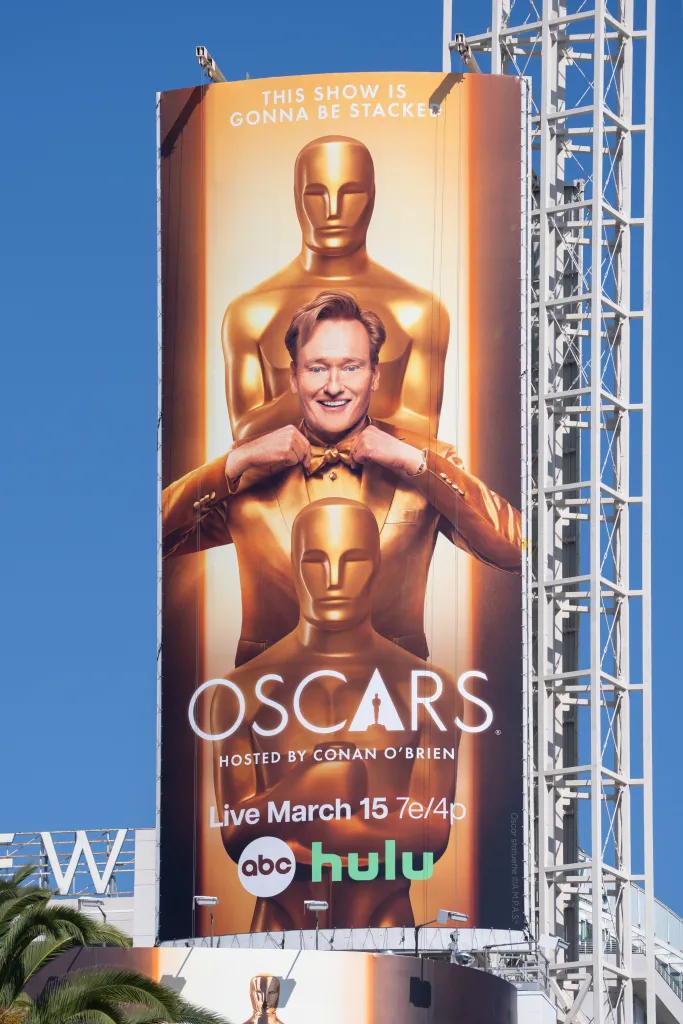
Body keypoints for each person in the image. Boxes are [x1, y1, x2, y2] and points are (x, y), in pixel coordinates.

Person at [163, 290, 521, 668]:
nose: (334, 386)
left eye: (351, 367)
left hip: (393, 699)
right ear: (294, 377)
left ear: (375, 375)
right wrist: (233, 464)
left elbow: (519, 552)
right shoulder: (247, 467)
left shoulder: (425, 460)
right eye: (318, 368)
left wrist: (417, 465)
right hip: (270, 701)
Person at [211, 498, 463, 930]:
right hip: (278, 920)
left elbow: (432, 832)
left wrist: (315, 829)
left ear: (378, 562)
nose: (333, 579)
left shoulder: (430, 689)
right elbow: (235, 836)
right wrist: (307, 789)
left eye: (354, 560)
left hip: (386, 918)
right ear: (292, 563)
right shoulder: (240, 691)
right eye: (315, 561)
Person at [222, 135, 450, 441]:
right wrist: (326, 388)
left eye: (351, 193)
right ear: (295, 197)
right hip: (279, 488)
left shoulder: (419, 311)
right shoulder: (250, 312)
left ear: (372, 195)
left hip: (383, 487)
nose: (332, 210)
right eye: (316, 194)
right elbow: (243, 436)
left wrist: (318, 392)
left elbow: (425, 432)